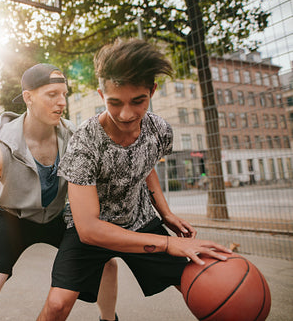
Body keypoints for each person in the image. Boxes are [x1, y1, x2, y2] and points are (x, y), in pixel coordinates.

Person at [36, 39, 233, 320]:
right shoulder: (84, 141)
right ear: (101, 94)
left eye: (138, 101)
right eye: (114, 102)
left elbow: (145, 164)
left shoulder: (159, 130)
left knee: (203, 286)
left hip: (139, 219)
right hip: (90, 229)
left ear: (151, 91)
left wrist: (165, 213)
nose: (126, 114)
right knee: (56, 305)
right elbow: (90, 229)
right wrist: (168, 244)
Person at [0, 63, 118, 321]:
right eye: (52, 95)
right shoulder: (0, 148)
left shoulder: (74, 137)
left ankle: (109, 319)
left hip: (58, 216)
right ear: (28, 97)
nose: (61, 102)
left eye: (64, 94)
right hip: (12, 218)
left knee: (107, 262)